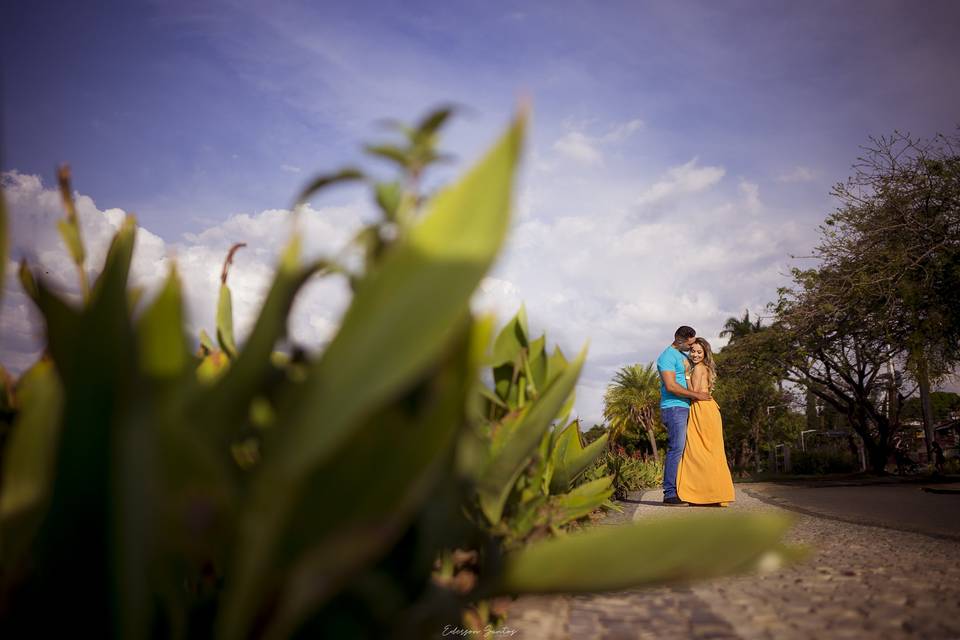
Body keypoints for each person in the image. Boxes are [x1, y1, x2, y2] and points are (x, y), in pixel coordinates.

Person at [676, 338, 735, 506]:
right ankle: (717, 493)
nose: (694, 354)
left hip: (701, 409)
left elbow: (693, 392)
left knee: (697, 451)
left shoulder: (698, 369)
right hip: (711, 409)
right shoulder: (707, 368)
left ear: (704, 354)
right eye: (692, 351)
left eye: (698, 352)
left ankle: (701, 494)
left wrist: (686, 374)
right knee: (712, 451)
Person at [656, 326, 711, 505]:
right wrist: (698, 396)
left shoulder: (683, 356)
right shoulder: (666, 357)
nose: (692, 347)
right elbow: (671, 386)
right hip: (674, 408)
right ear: (682, 339)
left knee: (690, 450)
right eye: (690, 343)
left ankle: (688, 490)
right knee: (676, 449)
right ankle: (670, 493)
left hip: (687, 406)